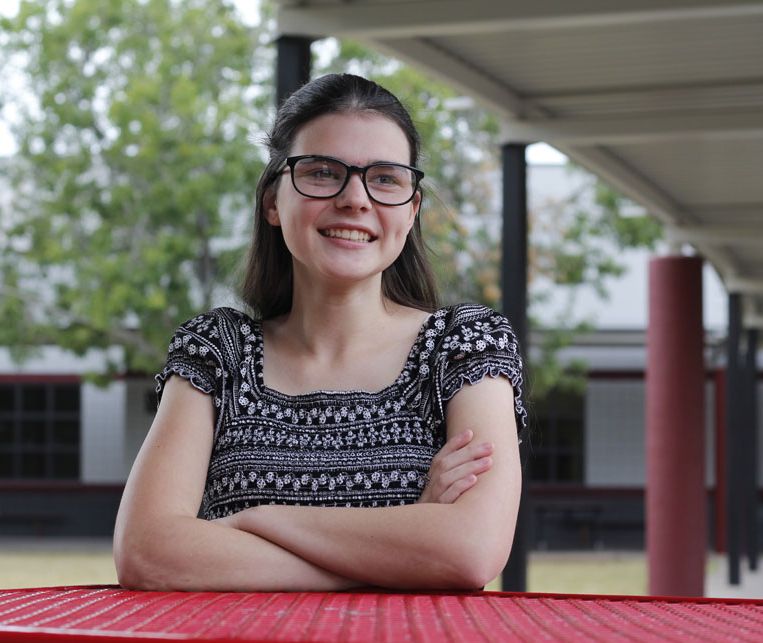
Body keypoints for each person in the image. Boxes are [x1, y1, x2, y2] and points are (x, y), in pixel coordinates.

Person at [113, 73, 526, 591]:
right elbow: (147, 554)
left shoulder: (464, 345)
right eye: (323, 172)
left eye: (386, 179)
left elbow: (469, 551)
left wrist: (257, 520)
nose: (355, 199)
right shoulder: (218, 351)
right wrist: (402, 559)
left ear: (412, 209)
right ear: (272, 202)